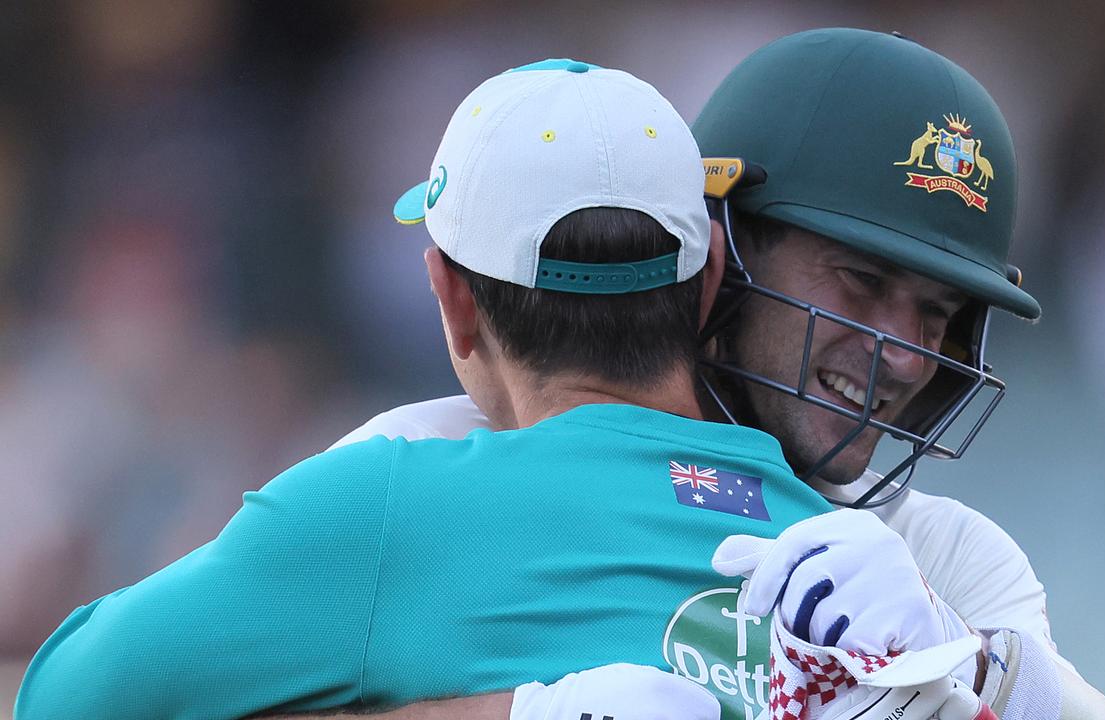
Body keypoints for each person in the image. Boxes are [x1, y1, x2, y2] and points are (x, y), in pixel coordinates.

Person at [314, 29, 1105, 720]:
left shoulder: (942, 557)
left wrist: (970, 659)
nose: (903, 352)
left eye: (936, 313)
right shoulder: (425, 466)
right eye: (861, 281)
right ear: (721, 253)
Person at [16, 59, 862, 720]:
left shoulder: (382, 501)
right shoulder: (848, 553)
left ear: (452, 300)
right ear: (710, 278)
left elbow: (62, 699)